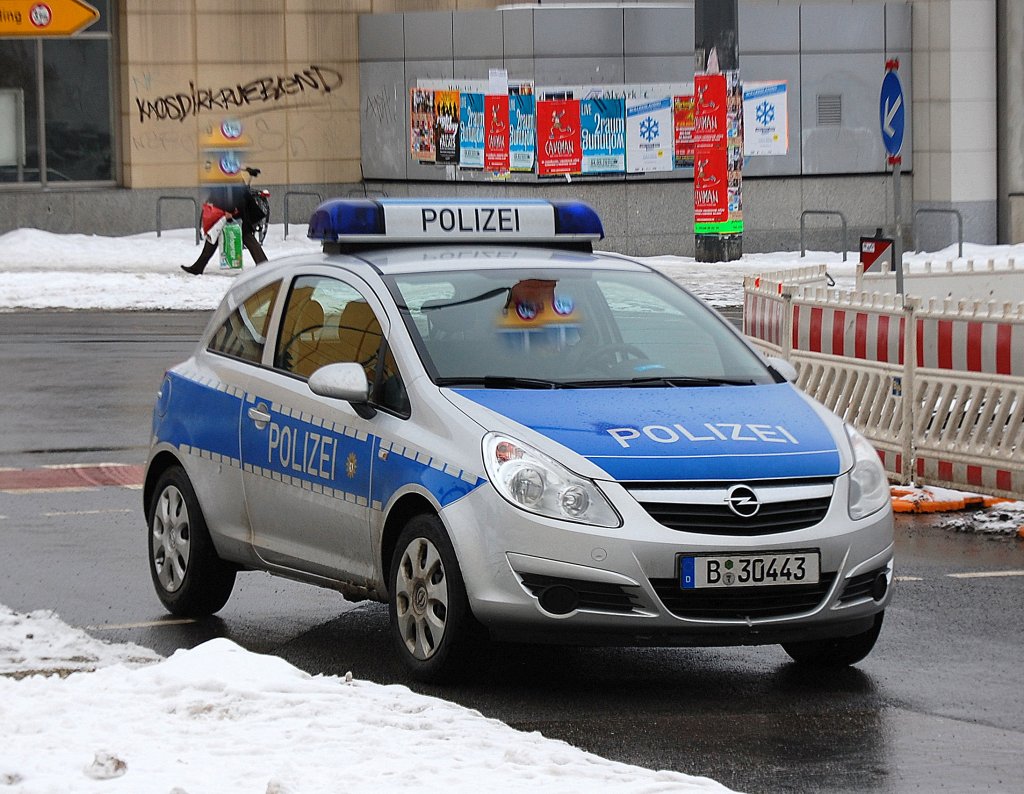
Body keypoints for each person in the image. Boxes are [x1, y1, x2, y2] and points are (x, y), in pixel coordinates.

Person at [181, 183, 268, 275]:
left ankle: (264, 266)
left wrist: (230, 210)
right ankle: (198, 267)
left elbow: (233, 191)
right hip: (231, 209)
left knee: (245, 237)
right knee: (214, 235)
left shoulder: (228, 177)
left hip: (234, 210)